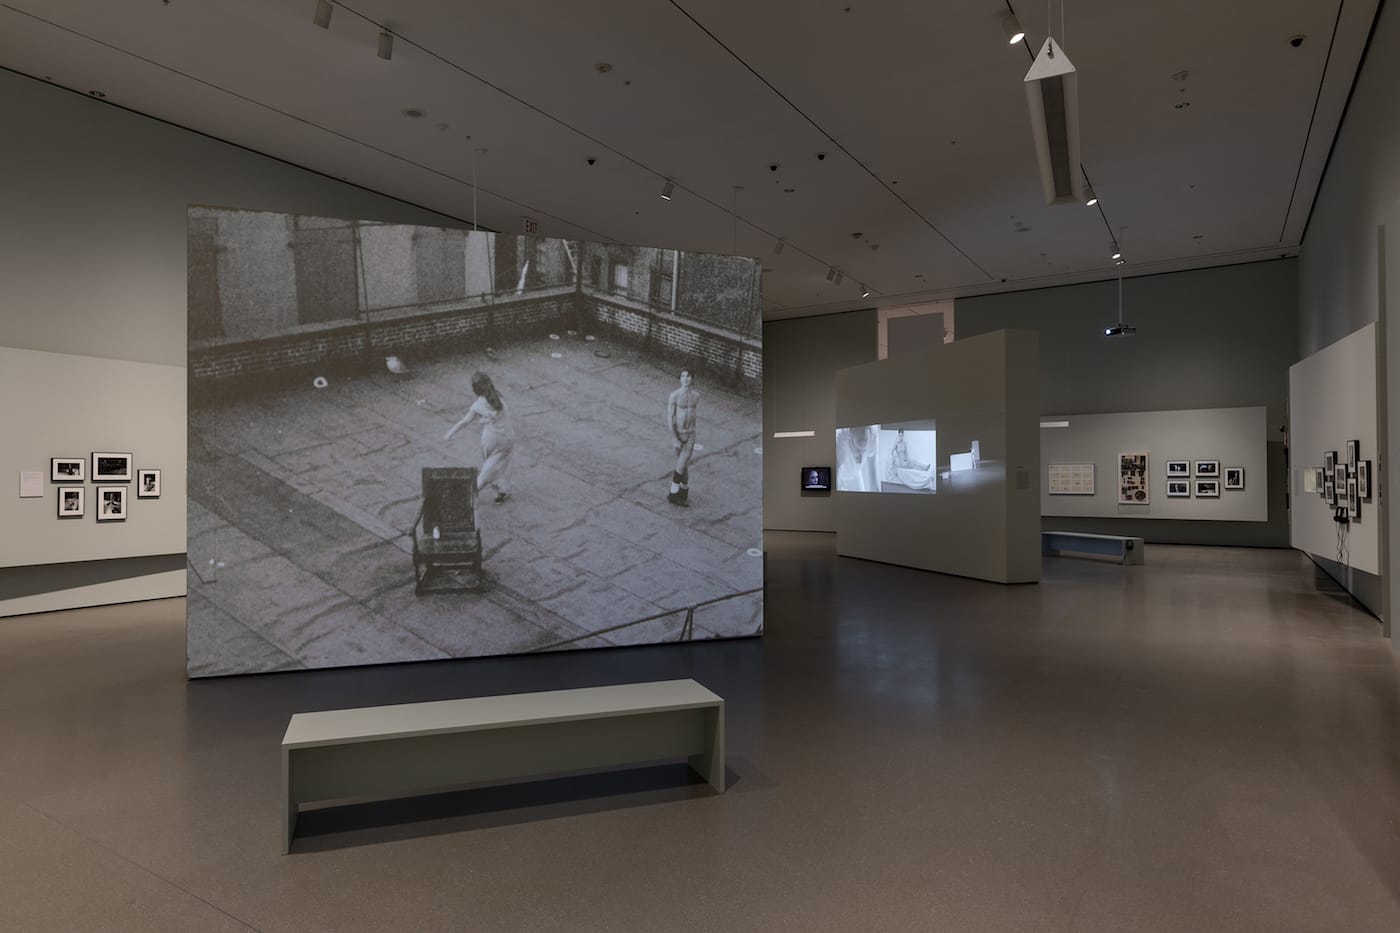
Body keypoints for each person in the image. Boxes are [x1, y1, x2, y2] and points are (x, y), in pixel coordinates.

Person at [444, 371, 514, 503]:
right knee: (501, 465)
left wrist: (450, 433)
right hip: (507, 438)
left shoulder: (478, 405)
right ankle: (499, 490)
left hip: (490, 439)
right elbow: (499, 415)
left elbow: (465, 421)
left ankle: (477, 492)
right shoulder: (499, 397)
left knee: (489, 467)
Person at [666, 369, 698, 506]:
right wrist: (674, 438)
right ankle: (683, 490)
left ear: (692, 379)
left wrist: (693, 430)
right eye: (683, 376)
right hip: (678, 433)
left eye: (688, 376)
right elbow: (670, 418)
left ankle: (673, 494)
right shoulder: (674, 396)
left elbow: (693, 415)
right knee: (682, 464)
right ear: (680, 379)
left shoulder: (696, 396)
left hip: (690, 433)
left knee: (681, 464)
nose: (685, 378)